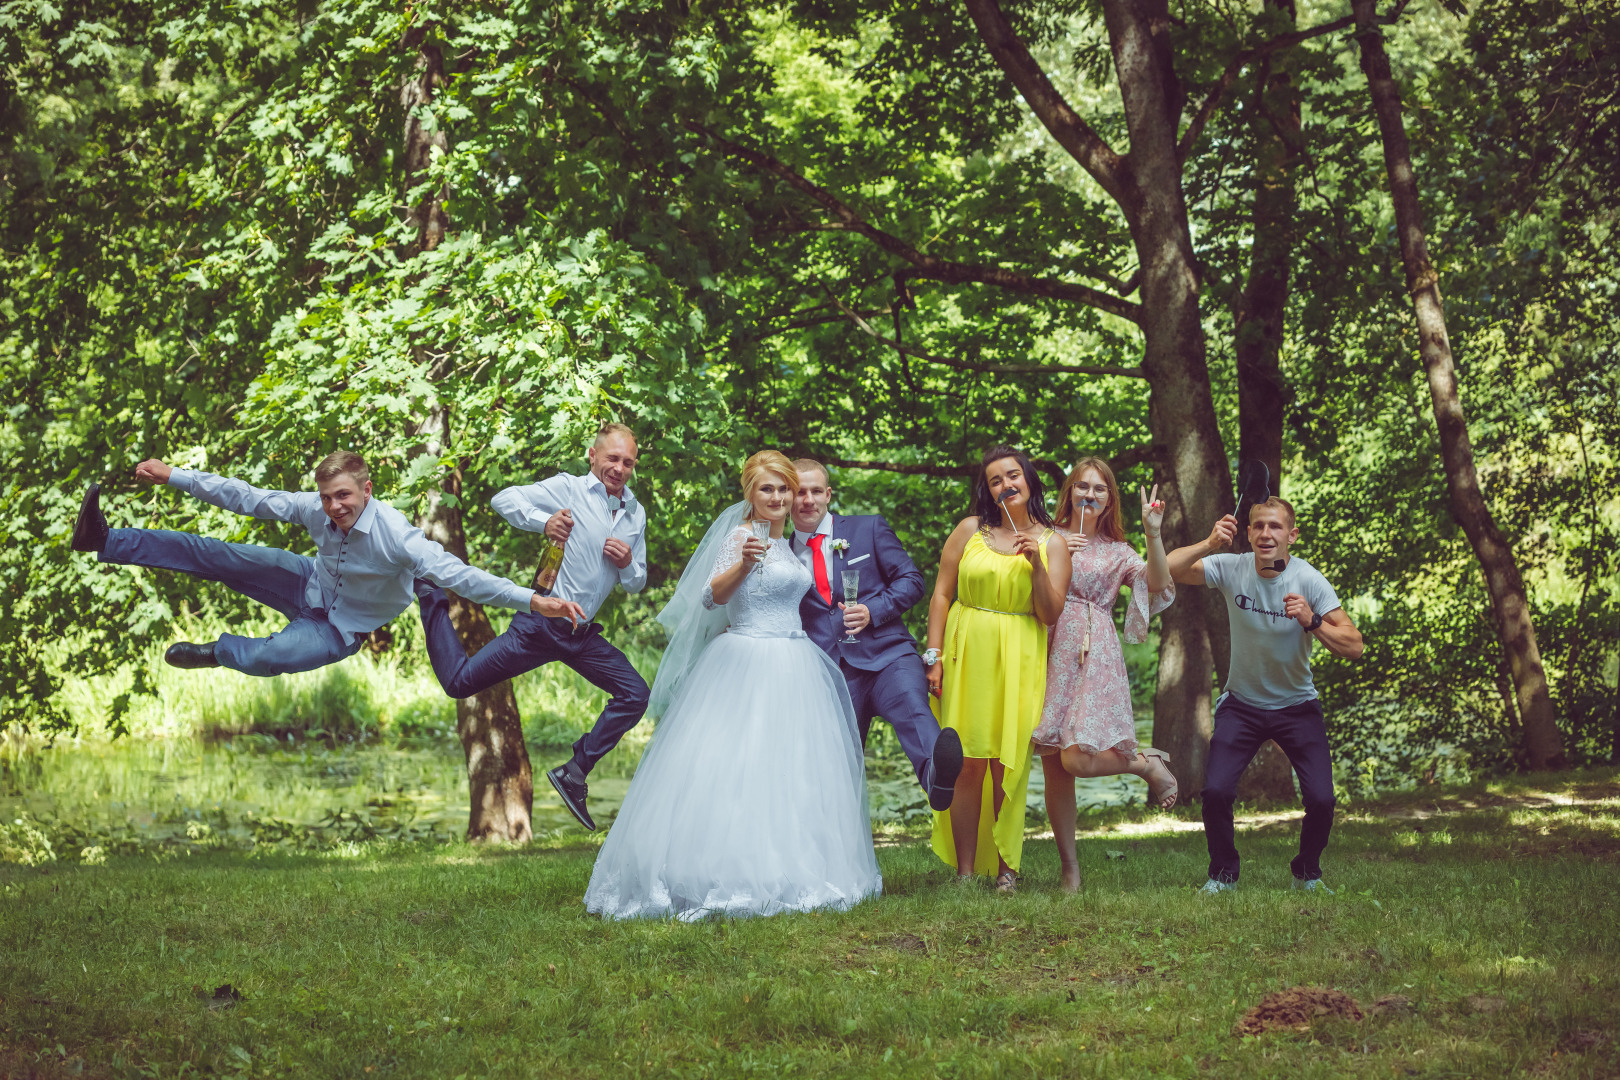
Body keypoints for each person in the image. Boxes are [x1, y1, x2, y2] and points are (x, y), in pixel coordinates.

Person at [583, 450, 882, 920]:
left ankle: (793, 866)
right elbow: (709, 596)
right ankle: (723, 872)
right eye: (768, 488)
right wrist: (743, 564)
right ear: (750, 493)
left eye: (784, 488)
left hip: (795, 659)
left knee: (793, 771)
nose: (779, 496)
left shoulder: (788, 543)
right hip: (746, 658)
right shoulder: (741, 536)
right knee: (736, 767)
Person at [69, 452, 577, 677]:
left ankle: (216, 653)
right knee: (215, 554)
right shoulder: (315, 508)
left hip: (340, 629)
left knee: (268, 658)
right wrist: (176, 476)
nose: (334, 507)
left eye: (343, 497)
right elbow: (247, 497)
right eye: (327, 498)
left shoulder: (397, 536)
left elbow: (463, 577)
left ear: (365, 490)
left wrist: (533, 600)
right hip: (304, 582)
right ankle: (104, 539)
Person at [415, 423, 649, 832]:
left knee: (635, 694)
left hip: (581, 634)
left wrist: (629, 563)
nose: (619, 468)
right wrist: (544, 522)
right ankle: (429, 592)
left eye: (628, 462)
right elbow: (503, 499)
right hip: (540, 624)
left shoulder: (635, 513)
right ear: (593, 457)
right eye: (612, 458)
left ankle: (574, 772)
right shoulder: (568, 488)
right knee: (460, 682)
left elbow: (636, 583)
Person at [1166, 496, 1364, 894]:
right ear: (1248, 532)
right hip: (1242, 705)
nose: (1265, 534)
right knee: (1216, 791)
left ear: (1291, 535)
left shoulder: (1308, 579)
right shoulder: (1233, 567)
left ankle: (1307, 872)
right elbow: (1163, 573)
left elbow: (1354, 644)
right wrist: (1208, 543)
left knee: (1322, 801)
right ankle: (1223, 874)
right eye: (1258, 526)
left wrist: (1313, 620)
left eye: (1275, 526)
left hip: (1297, 706)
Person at [924, 445, 1071, 892]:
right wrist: (933, 657)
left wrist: (1036, 566)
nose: (1006, 484)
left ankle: (1007, 869)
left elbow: (1050, 614)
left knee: (1008, 763)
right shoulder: (970, 529)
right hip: (966, 655)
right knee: (966, 761)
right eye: (995, 480)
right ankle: (966, 872)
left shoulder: (1053, 542)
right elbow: (941, 595)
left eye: (1013, 476)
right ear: (987, 491)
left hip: (1020, 659)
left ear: (1029, 481)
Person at [1032, 458, 1179, 892]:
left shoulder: (1118, 551)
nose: (1089, 495)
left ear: (1109, 499)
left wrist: (1153, 533)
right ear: (1069, 493)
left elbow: (1156, 583)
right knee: (1054, 764)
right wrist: (1055, 557)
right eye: (1081, 487)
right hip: (1046, 647)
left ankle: (1142, 764)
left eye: (1099, 489)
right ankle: (1070, 869)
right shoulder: (1049, 537)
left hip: (1093, 652)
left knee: (1075, 758)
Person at [789, 458, 964, 811]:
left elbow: (912, 581)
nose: (808, 499)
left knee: (914, 709)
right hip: (830, 671)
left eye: (816, 491)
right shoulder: (781, 552)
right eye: (799, 492)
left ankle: (936, 777)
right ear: (788, 497)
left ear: (828, 494)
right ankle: (837, 844)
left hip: (888, 656)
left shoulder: (867, 529)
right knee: (838, 763)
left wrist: (874, 610)